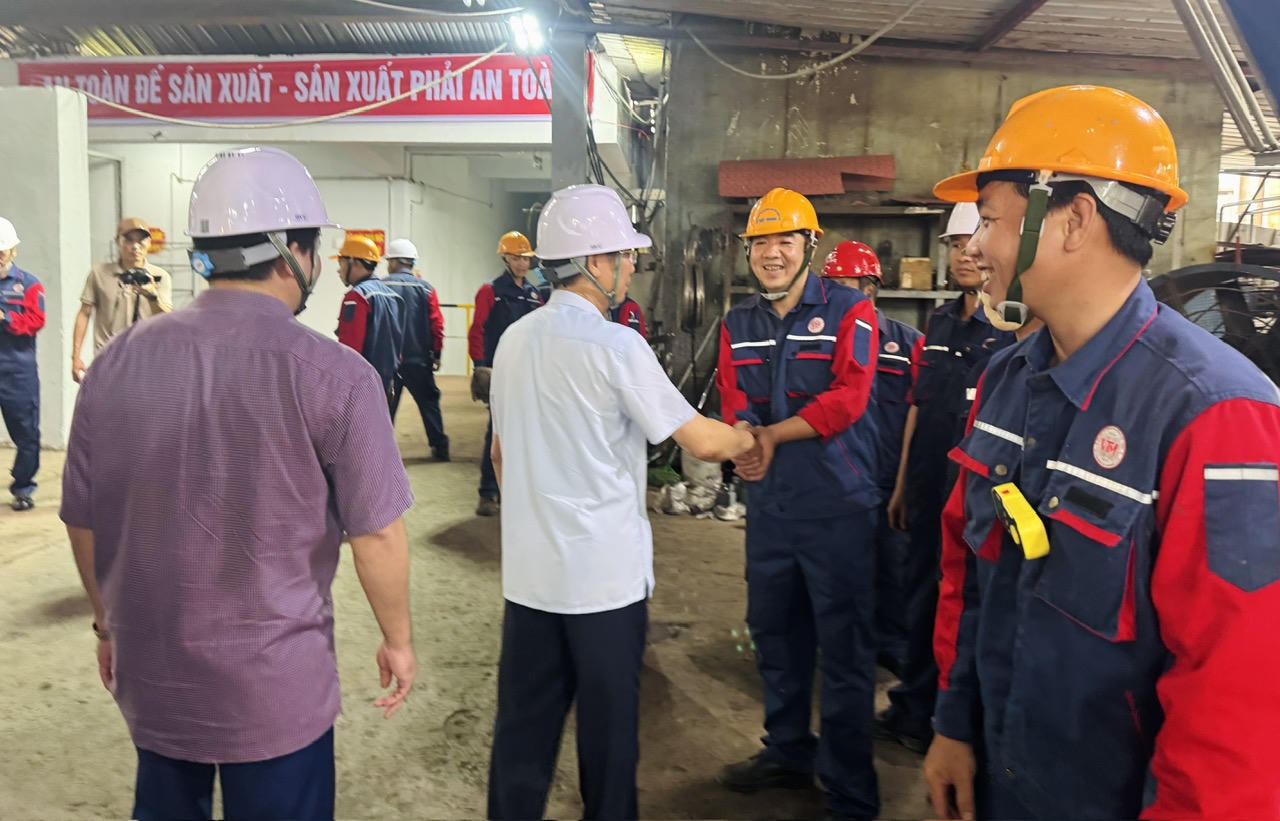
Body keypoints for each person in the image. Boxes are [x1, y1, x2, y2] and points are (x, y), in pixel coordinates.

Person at [924, 85, 1280, 820]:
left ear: (1074, 219)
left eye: (989, 219)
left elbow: (1237, 698)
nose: (974, 247)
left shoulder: (1216, 414)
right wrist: (954, 723)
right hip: (1001, 773)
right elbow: (972, 573)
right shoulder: (1008, 379)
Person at [60, 147, 417, 821]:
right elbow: (377, 534)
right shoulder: (337, 376)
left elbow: (83, 516)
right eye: (315, 249)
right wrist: (397, 639)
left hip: (155, 674)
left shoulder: (115, 365)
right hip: (276, 689)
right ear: (292, 252)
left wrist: (108, 625)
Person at [486, 183, 754, 821]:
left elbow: (500, 455)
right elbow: (700, 439)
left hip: (530, 581)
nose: (632, 267)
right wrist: (750, 437)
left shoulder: (514, 340)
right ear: (595, 262)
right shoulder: (616, 346)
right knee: (608, 744)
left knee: (522, 737)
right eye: (625, 256)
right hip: (602, 587)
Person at [715, 188, 882, 820]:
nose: (772, 253)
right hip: (772, 509)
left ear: (810, 245)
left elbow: (848, 399)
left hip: (838, 508)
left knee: (844, 651)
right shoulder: (738, 323)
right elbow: (734, 396)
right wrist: (742, 440)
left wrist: (769, 438)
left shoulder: (849, 311)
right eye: (760, 242)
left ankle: (849, 789)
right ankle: (787, 750)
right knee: (775, 635)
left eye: (785, 240)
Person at [878, 203, 1016, 754]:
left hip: (974, 495)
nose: (964, 254)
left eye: (971, 241)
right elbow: (917, 404)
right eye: (954, 245)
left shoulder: (1010, 329)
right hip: (925, 485)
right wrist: (901, 485)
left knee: (963, 601)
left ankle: (951, 718)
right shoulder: (937, 322)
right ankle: (912, 706)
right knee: (918, 595)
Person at [820, 240, 922, 672]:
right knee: (838, 569)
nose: (838, 297)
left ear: (870, 288)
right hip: (837, 479)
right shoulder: (820, 344)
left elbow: (921, 415)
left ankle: (893, 646)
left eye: (846, 286)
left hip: (887, 478)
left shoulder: (909, 344)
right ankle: (843, 646)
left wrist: (906, 483)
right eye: (831, 287)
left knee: (893, 569)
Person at [468, 230, 542, 517]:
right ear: (505, 258)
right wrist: (480, 365)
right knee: (497, 431)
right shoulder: (491, 291)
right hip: (499, 371)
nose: (522, 264)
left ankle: (516, 492)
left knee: (527, 432)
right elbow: (478, 329)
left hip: (528, 372)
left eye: (525, 259)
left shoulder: (534, 294)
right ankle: (488, 492)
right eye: (516, 258)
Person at [71, 216, 172, 383]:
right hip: (107, 359)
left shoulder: (160, 276)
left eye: (141, 241)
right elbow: (84, 313)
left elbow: (167, 319)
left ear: (149, 243)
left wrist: (152, 296)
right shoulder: (99, 273)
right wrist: (76, 357)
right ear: (118, 241)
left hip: (146, 360)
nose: (135, 246)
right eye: (129, 240)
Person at [384, 238, 450, 461]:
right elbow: (437, 324)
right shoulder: (426, 288)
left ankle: (382, 451)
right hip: (419, 360)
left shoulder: (381, 287)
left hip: (390, 362)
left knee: (385, 408)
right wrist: (437, 353)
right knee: (429, 404)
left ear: (394, 262)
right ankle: (440, 447)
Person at [0, 216, 45, 511]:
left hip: (17, 371)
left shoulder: (29, 284)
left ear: (13, 250)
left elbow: (36, 320)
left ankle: (23, 487)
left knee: (26, 433)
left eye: (2, 249)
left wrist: (6, 318)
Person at [335, 235, 404, 396]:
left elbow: (351, 350)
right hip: (387, 382)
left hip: (362, 386)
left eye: (341, 262)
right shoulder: (392, 296)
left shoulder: (356, 297)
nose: (339, 270)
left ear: (355, 262)